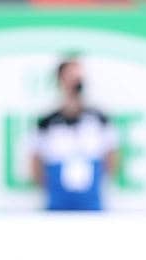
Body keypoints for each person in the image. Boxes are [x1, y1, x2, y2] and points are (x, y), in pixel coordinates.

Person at [30, 56, 118, 211]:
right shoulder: (46, 122)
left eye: (79, 76)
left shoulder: (99, 119)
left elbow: (111, 157)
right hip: (57, 203)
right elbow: (35, 160)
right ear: (60, 80)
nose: (76, 81)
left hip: (91, 203)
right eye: (70, 76)